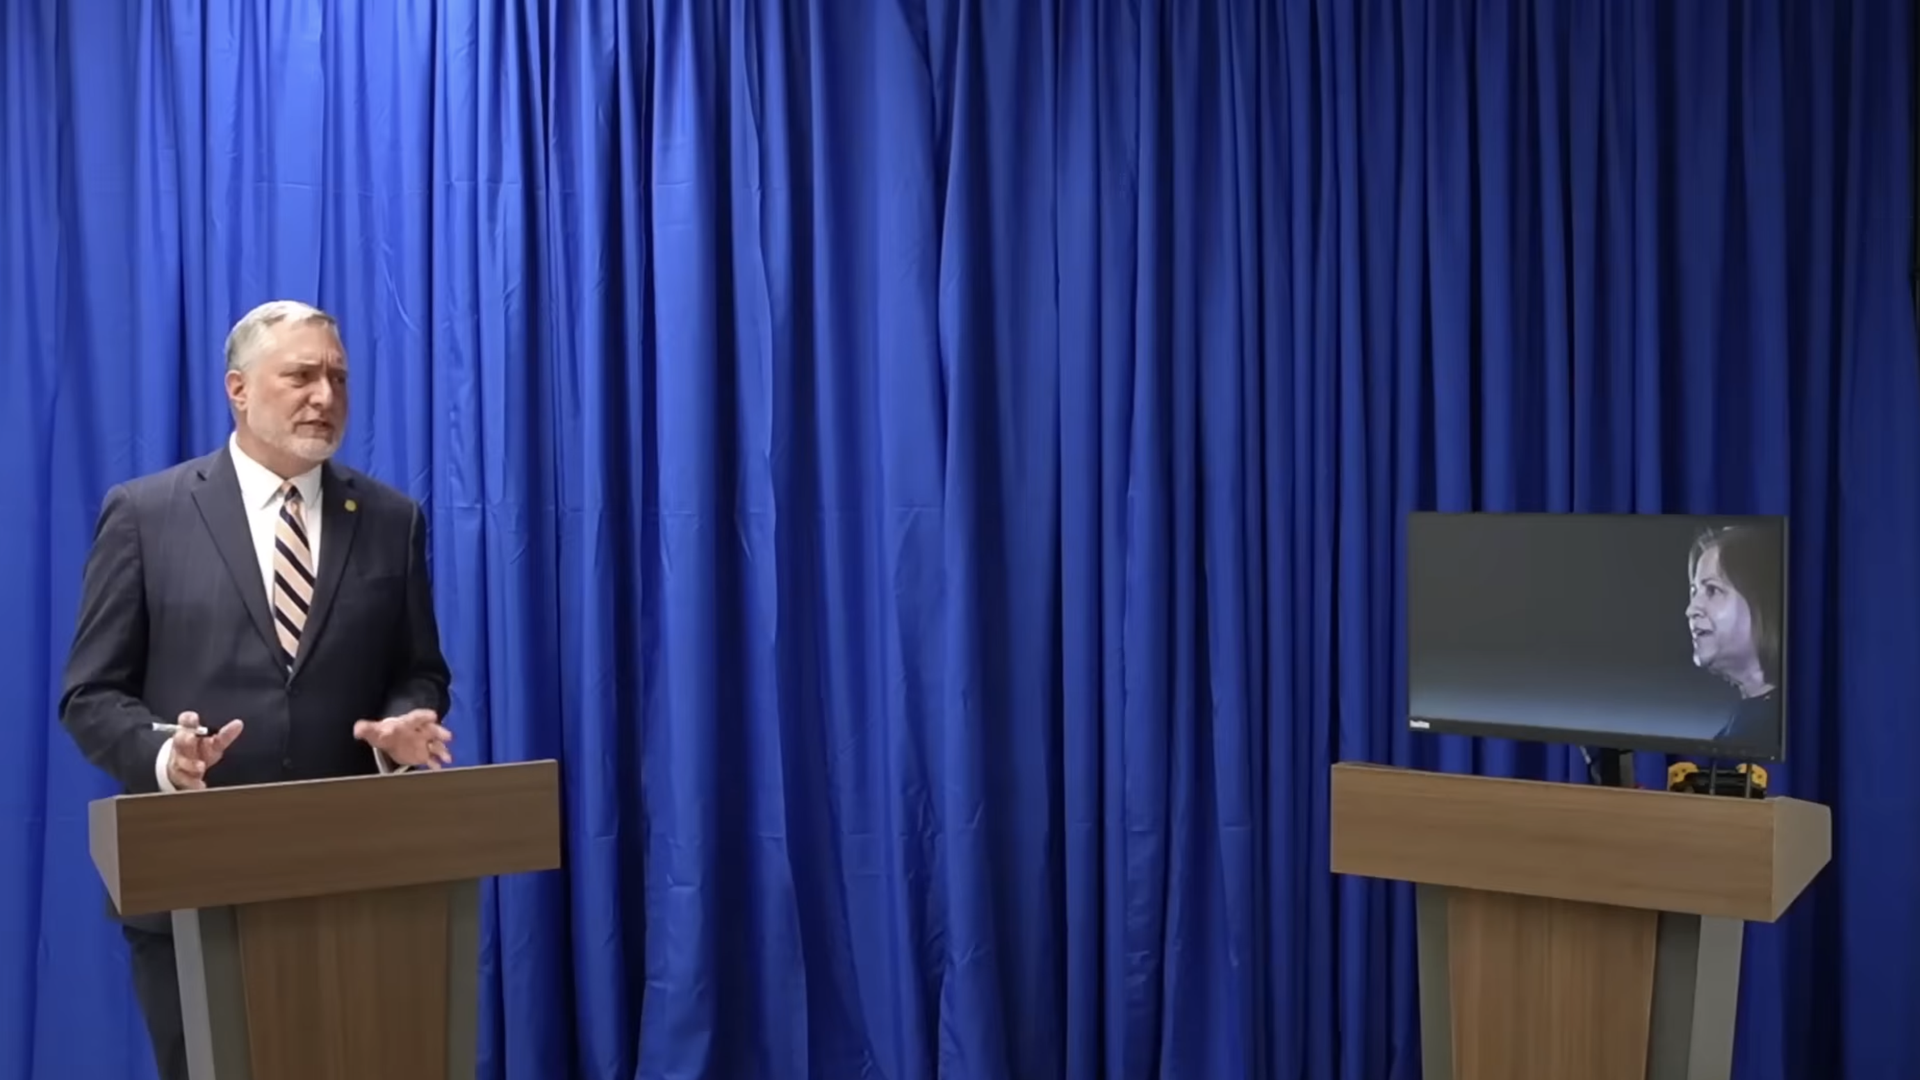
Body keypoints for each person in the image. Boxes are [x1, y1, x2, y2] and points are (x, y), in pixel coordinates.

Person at [58, 300, 455, 1080]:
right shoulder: (146, 514)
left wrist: (408, 724)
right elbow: (91, 695)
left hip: (352, 876)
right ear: (237, 389)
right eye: (301, 375)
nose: (326, 396)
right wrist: (168, 757)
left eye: (337, 376)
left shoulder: (390, 519)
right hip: (194, 879)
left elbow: (421, 667)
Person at [1683, 523, 1785, 752]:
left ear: (1762, 602)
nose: (1691, 609)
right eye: (1693, 592)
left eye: (1712, 590)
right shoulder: (1744, 726)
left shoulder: (1784, 730)